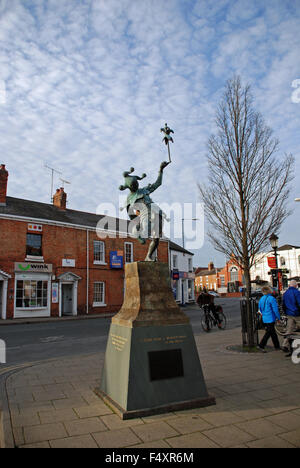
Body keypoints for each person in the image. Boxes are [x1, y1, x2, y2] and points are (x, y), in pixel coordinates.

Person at [257, 286, 281, 353]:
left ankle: (277, 346)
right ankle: (261, 345)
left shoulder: (261, 299)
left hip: (265, 318)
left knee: (272, 332)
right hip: (271, 318)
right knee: (269, 332)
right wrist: (278, 318)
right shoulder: (271, 298)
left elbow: (260, 309)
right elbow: (275, 310)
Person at [281, 280, 300, 354]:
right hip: (297, 313)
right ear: (296, 285)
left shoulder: (285, 293)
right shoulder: (297, 292)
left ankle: (285, 344)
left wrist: (286, 312)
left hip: (289, 313)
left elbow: (283, 304)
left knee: (289, 330)